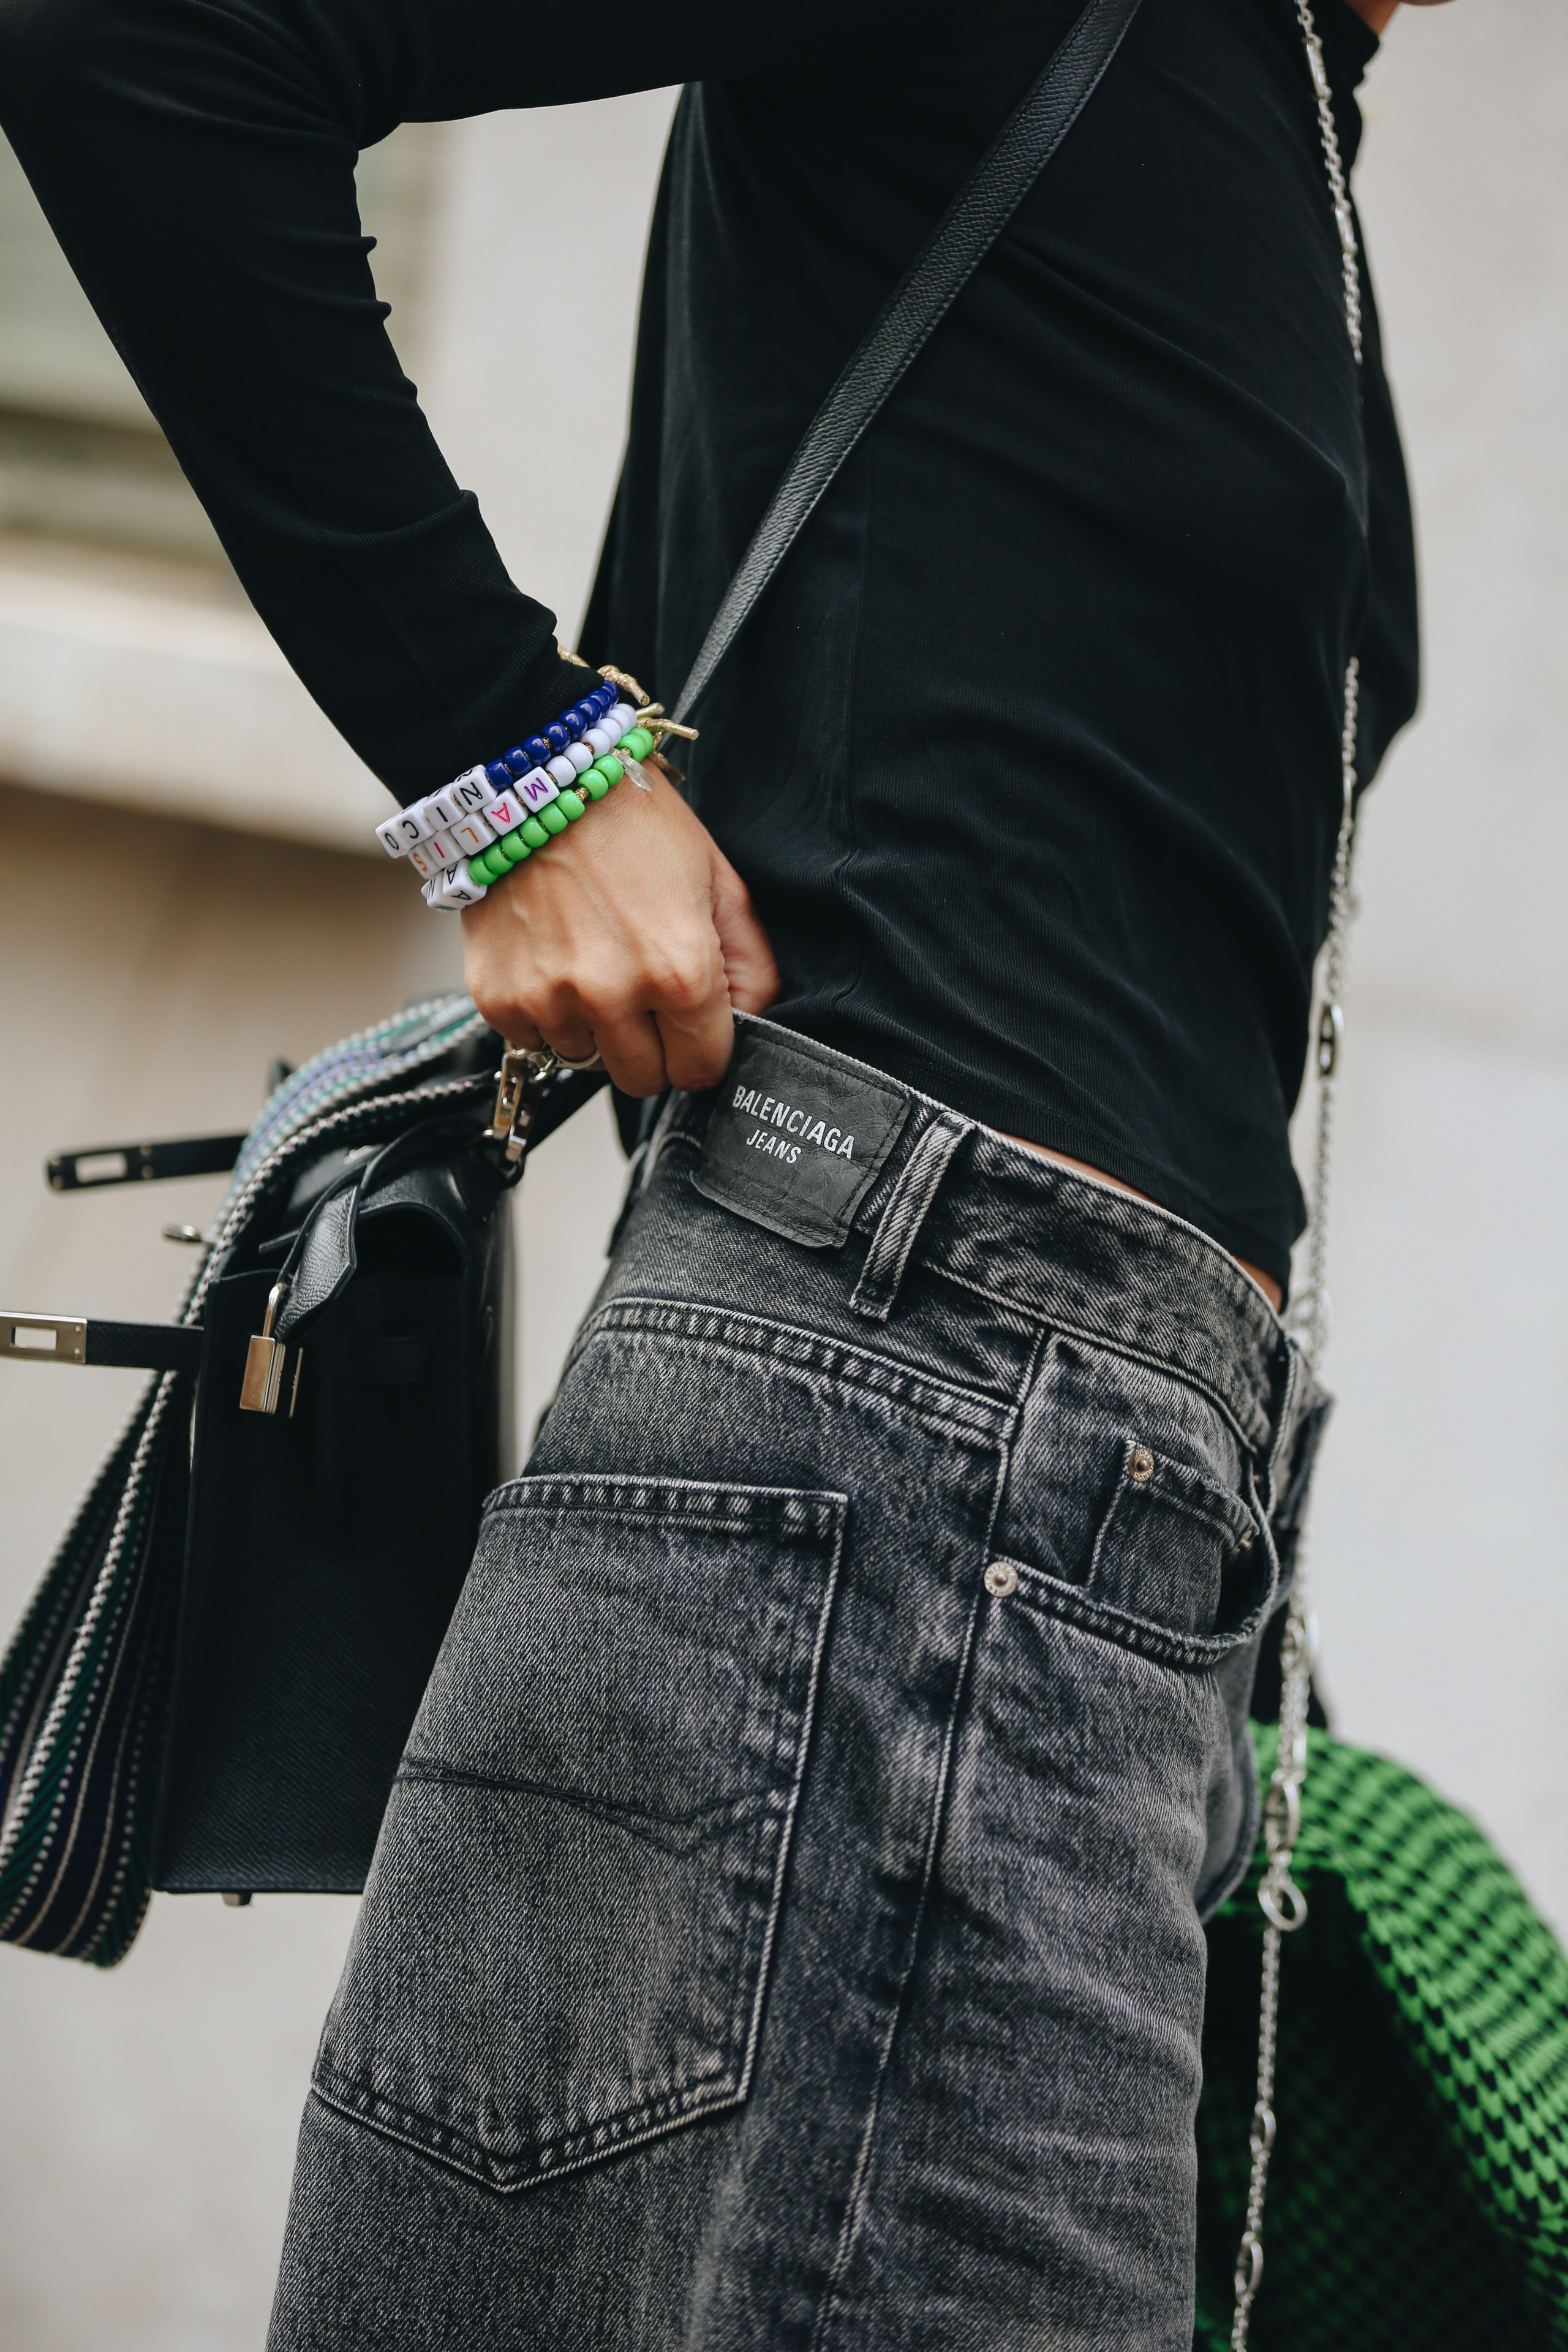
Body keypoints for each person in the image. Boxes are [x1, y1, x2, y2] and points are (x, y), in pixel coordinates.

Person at [0, 0, 1443, 2340]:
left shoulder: (1282, 102)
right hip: (911, 1459)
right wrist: (517, 768)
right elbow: (149, 45)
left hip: (1066, 1529)